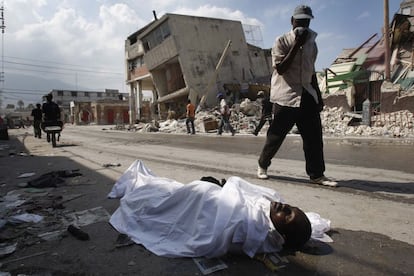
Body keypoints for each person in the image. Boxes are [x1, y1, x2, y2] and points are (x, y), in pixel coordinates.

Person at [108, 160, 315, 258]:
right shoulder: (268, 208)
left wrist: (214, 191)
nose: (284, 206)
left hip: (193, 203)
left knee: (150, 199)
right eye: (290, 207)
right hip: (189, 196)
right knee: (164, 188)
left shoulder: (256, 229)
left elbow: (216, 229)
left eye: (286, 215)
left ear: (281, 236)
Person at [256, 5, 337, 187]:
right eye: (299, 21)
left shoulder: (312, 45)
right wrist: (296, 45)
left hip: (307, 94)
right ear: (292, 21)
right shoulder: (281, 41)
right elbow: (281, 69)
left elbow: (312, 73)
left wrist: (319, 97)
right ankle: (262, 164)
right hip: (286, 96)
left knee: (314, 138)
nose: (303, 25)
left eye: (306, 22)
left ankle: (317, 174)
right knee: (276, 135)